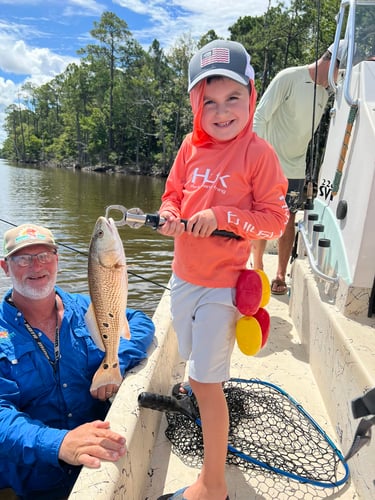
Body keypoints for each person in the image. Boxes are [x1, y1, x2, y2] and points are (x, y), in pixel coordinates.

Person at [157, 40, 288, 500]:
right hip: (182, 279)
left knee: (203, 381)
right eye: (209, 101)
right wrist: (171, 214)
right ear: (197, 104)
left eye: (233, 98)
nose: (222, 111)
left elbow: (275, 221)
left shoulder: (259, 154)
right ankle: (210, 423)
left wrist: (224, 215)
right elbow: (172, 193)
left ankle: (213, 487)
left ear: (250, 96)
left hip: (223, 287)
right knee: (193, 367)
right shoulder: (190, 147)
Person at [0, 223, 155, 499]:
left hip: (98, 459)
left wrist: (114, 361)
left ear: (57, 259)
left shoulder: (86, 307)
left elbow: (140, 321)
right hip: (36, 478)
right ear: (5, 267)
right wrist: (60, 443)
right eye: (23, 259)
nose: (36, 266)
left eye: (44, 255)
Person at [251, 42, 344, 294]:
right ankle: (258, 268)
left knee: (288, 219)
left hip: (296, 168)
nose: (341, 81)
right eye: (342, 73)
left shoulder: (326, 93)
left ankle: (280, 275)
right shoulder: (288, 77)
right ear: (332, 62)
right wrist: (257, 159)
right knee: (261, 217)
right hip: (269, 165)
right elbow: (259, 117)